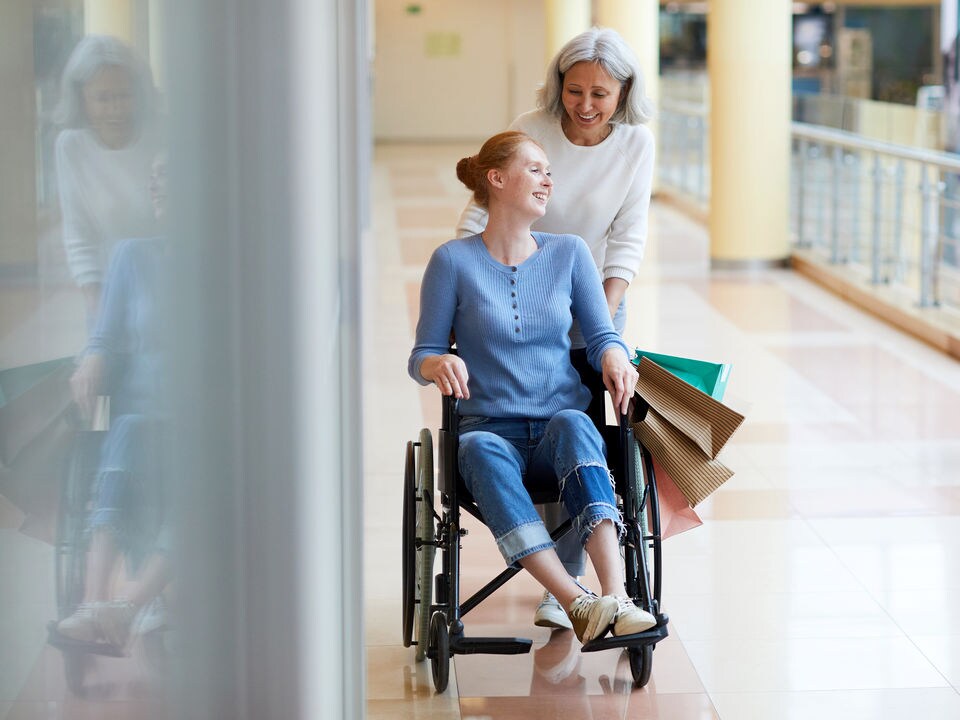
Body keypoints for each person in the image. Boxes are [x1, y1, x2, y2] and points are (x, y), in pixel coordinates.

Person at [409, 131, 656, 644]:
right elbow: (422, 354)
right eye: (536, 169)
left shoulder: (569, 253)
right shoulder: (452, 261)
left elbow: (600, 334)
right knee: (476, 447)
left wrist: (612, 351)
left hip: (555, 430)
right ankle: (574, 601)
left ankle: (618, 598)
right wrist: (435, 364)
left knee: (574, 421)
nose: (549, 180)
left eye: (549, 170)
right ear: (497, 180)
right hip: (488, 429)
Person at [456, 28, 655, 629]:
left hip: (590, 287)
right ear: (558, 86)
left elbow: (627, 235)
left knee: (580, 426)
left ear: (623, 93)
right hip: (515, 282)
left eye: (601, 93)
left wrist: (603, 322)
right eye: (574, 91)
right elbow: (483, 200)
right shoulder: (533, 127)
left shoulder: (635, 144)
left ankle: (564, 592)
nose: (587, 105)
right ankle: (566, 583)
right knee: (520, 415)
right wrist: (471, 273)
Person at [51, 152, 172, 653]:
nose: (163, 193)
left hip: (206, 421)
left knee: (206, 468)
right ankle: (97, 602)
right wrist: (92, 359)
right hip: (142, 416)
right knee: (127, 429)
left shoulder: (232, 262)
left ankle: (128, 604)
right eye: (158, 184)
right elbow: (103, 337)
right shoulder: (132, 256)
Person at [54, 34, 161, 321]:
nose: (116, 108)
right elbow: (78, 235)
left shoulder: (161, 135)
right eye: (102, 98)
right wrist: (100, 311)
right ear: (82, 99)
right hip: (109, 293)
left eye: (124, 95)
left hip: (167, 288)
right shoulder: (71, 146)